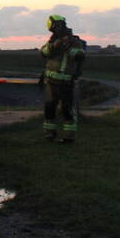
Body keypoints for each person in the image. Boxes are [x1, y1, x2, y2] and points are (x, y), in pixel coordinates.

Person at [40, 14, 86, 143]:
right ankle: (49, 135)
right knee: (49, 108)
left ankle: (69, 137)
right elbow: (43, 53)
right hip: (50, 81)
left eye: (60, 26)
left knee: (67, 110)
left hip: (66, 82)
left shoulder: (74, 41)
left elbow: (79, 56)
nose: (59, 29)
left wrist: (68, 46)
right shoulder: (52, 41)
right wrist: (55, 45)